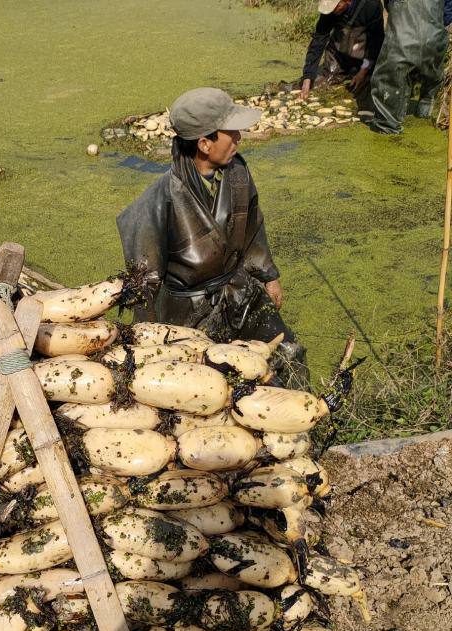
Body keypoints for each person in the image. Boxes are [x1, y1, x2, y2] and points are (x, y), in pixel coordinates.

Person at [117, 87, 308, 387]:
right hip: (187, 315)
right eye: (231, 132)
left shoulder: (238, 173)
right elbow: (144, 283)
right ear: (205, 143)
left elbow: (253, 226)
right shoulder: (159, 200)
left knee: (288, 355)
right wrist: (148, 343)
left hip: (239, 292)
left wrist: (269, 276)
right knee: (212, 387)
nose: (239, 138)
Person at [370, 0, 448, 134]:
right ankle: (425, 111)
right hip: (435, 38)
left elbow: (388, 5)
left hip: (403, 36)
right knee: (431, 80)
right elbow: (448, 11)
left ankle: (387, 127)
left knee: (390, 78)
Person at [300, 0, 385, 106]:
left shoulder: (370, 5)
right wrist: (307, 78)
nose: (333, 11)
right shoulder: (330, 10)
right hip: (338, 54)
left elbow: (375, 43)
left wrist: (363, 72)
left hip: (364, 57)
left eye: (336, 7)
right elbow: (318, 40)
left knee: (364, 90)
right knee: (321, 83)